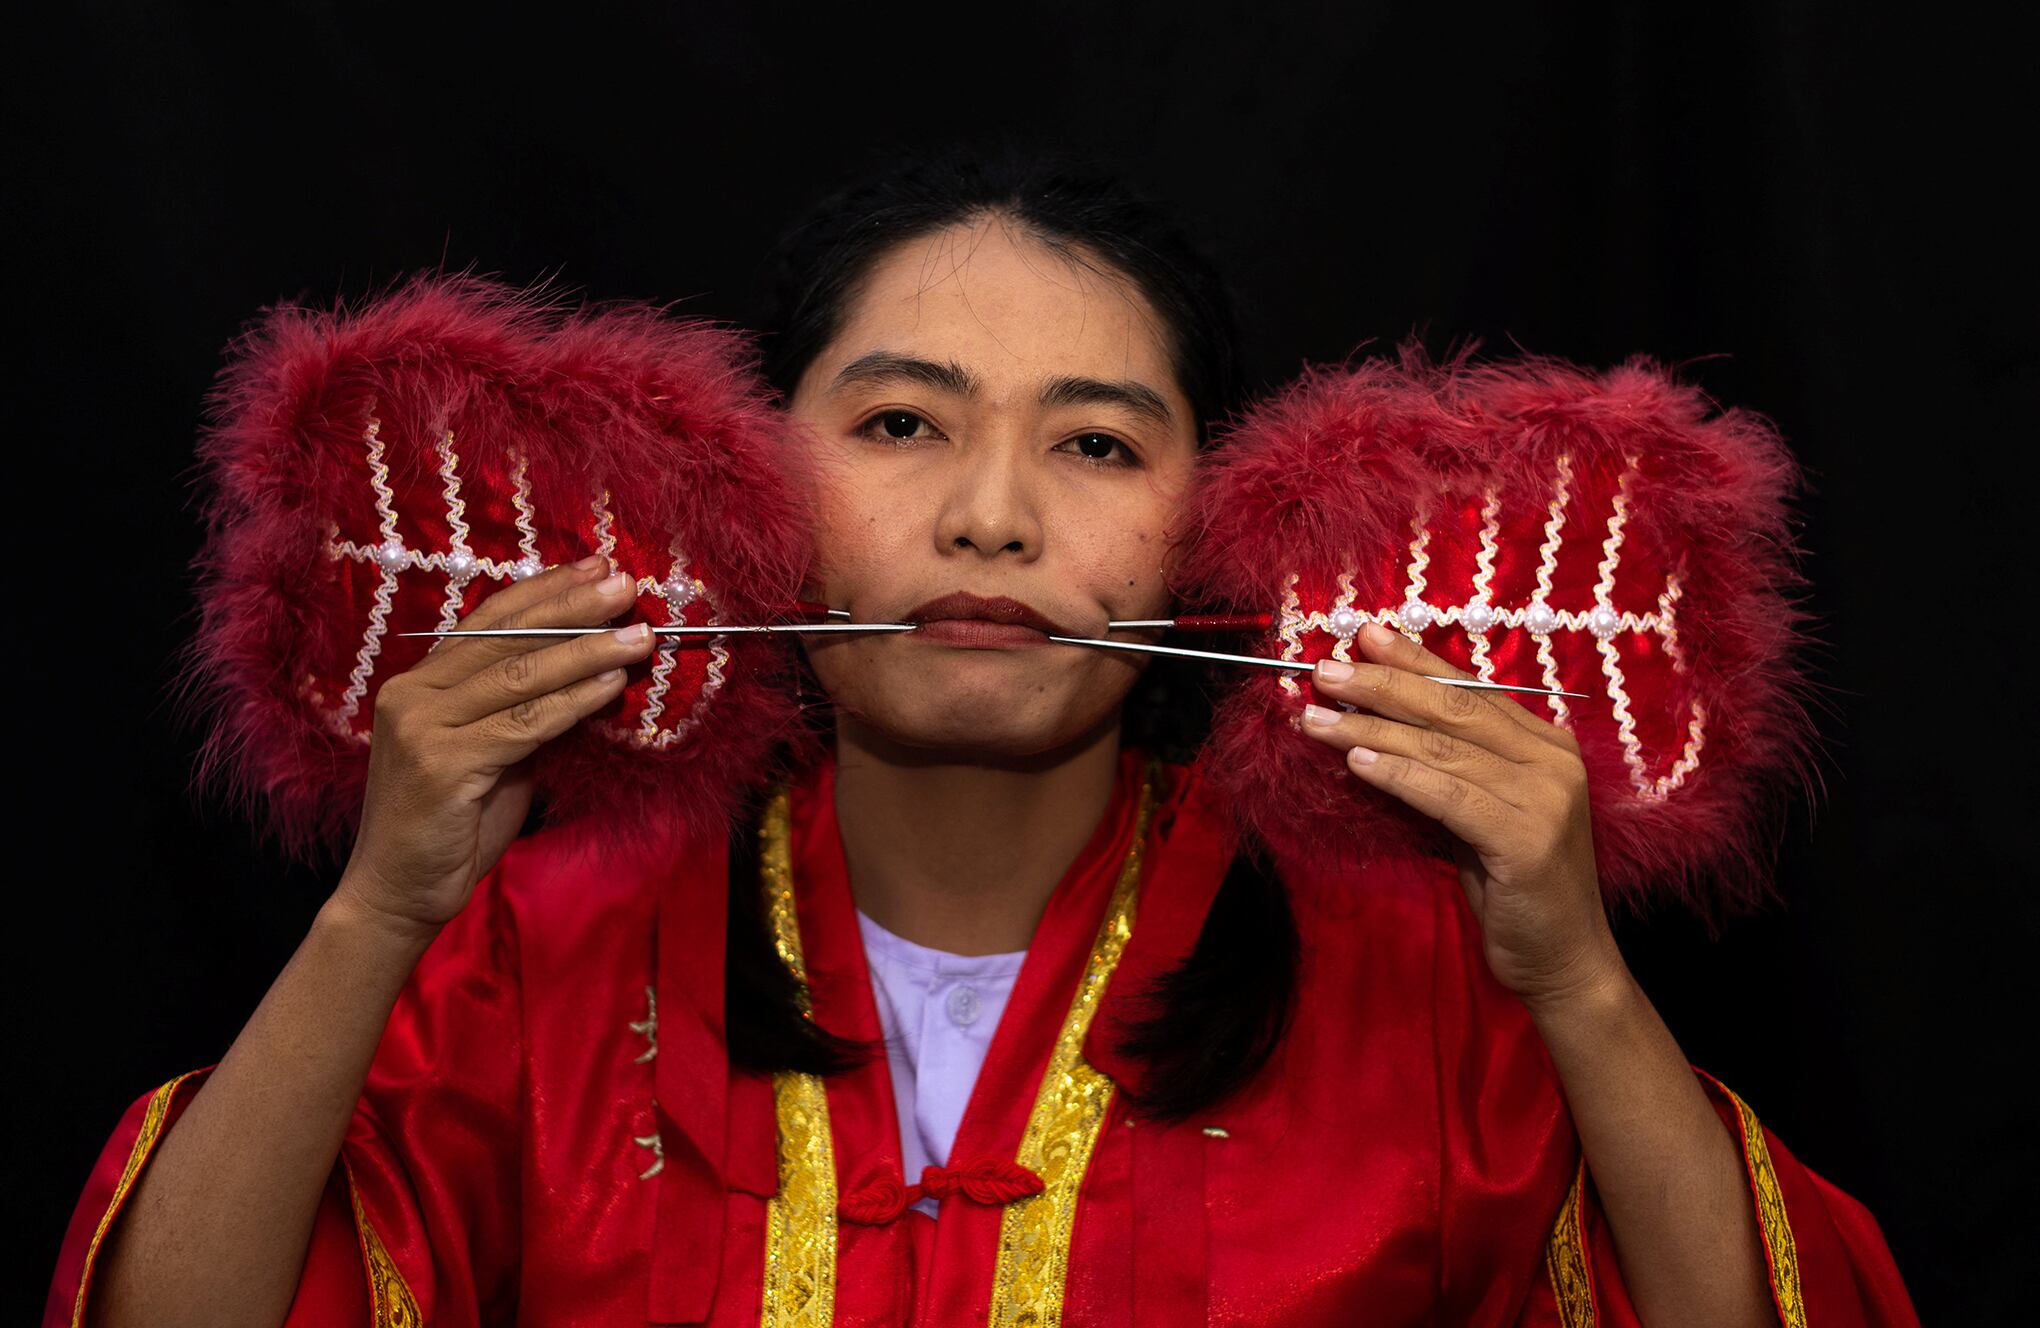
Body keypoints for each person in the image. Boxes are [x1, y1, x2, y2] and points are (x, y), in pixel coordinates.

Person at [47, 149, 1919, 1327]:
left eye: (1098, 443)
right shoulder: (534, 946)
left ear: (1215, 521)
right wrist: (381, 909)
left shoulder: (1432, 971)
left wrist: (1578, 977)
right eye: (900, 425)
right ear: (754, 479)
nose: (992, 521)